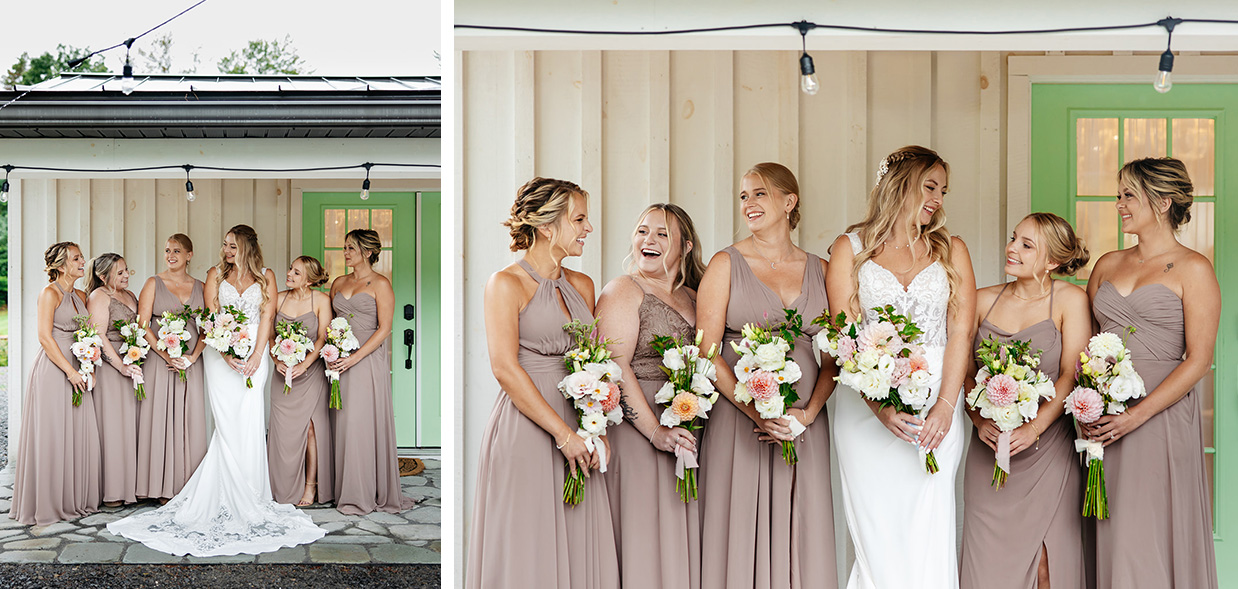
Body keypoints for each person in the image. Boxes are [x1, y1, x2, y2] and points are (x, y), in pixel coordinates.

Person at [108, 225, 324, 556]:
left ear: (247, 247)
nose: (226, 251)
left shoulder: (266, 275)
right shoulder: (214, 274)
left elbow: (267, 317)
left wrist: (256, 353)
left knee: (249, 419)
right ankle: (221, 494)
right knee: (225, 424)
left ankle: (251, 495)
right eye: (224, 245)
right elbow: (212, 317)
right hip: (219, 353)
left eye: (232, 246)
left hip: (255, 354)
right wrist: (223, 350)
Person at [827, 146, 976, 588]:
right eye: (930, 186)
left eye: (943, 190)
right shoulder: (849, 248)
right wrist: (881, 408)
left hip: (939, 404)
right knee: (878, 534)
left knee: (929, 526)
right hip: (867, 408)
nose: (938, 199)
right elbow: (846, 334)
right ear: (899, 184)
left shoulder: (951, 248)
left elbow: (960, 333)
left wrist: (947, 406)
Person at [467, 178, 619, 589]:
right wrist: (563, 434)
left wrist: (595, 423)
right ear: (548, 226)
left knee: (577, 533)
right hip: (527, 428)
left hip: (578, 421)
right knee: (528, 542)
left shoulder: (583, 286)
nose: (588, 229)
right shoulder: (505, 284)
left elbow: (594, 360)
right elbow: (504, 367)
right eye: (580, 219)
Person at [697, 163, 838, 589]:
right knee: (738, 527)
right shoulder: (726, 263)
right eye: (743, 196)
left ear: (788, 201)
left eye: (759, 193)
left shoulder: (823, 267)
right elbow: (706, 349)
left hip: (803, 424)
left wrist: (809, 414)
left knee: (803, 529)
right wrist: (755, 414)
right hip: (739, 420)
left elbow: (838, 354)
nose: (748, 204)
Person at [1084, 157, 1219, 588]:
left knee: (1148, 534)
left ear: (1162, 202)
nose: (1118, 203)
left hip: (1159, 418)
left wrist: (1136, 416)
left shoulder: (1194, 269)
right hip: (1103, 418)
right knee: (1111, 527)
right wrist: (1087, 405)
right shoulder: (1106, 264)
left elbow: (1198, 360)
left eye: (1128, 194)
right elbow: (1086, 346)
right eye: (1119, 193)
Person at [959, 213, 1091, 589]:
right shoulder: (982, 300)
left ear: (1052, 261)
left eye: (1026, 245)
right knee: (987, 562)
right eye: (1013, 238)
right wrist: (978, 420)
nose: (1011, 248)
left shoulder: (1070, 300)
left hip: (1048, 450)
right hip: (990, 451)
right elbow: (964, 371)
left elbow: (1070, 374)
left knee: (1047, 563)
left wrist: (1033, 428)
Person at [597, 204, 705, 588]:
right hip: (639, 431)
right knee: (643, 537)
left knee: (679, 533)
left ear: (686, 246)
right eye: (643, 231)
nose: (649, 240)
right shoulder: (624, 289)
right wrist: (656, 431)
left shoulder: (697, 296)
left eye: (662, 233)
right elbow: (615, 365)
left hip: (687, 430)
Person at [10, 242, 101, 525]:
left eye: (82, 257)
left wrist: (89, 366)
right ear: (61, 265)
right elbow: (44, 337)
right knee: (52, 433)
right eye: (76, 258)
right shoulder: (49, 293)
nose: (82, 261)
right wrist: (70, 373)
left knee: (76, 431)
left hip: (78, 365)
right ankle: (48, 502)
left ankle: (73, 498)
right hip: (54, 369)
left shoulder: (82, 295)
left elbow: (87, 333)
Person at [328, 229, 414, 515]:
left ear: (366, 252)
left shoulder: (380, 284)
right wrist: (332, 351)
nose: (345, 252)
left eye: (351, 248)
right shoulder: (339, 282)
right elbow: (331, 322)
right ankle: (343, 488)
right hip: (338, 360)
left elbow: (385, 329)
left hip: (366, 360)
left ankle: (365, 490)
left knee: (361, 423)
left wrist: (355, 358)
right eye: (344, 247)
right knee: (342, 422)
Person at [135, 234, 208, 502]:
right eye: (167, 250)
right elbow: (142, 325)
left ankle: (188, 486)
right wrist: (165, 355)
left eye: (177, 251)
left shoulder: (201, 286)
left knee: (190, 419)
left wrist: (193, 357)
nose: (170, 255)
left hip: (190, 362)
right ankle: (160, 486)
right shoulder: (154, 283)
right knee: (160, 418)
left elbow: (209, 328)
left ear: (189, 255)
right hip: (160, 361)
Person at [268, 256, 334, 506]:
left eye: (296, 273)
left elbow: (322, 338)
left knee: (310, 430)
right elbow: (271, 334)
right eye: (290, 269)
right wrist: (277, 360)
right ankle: (282, 485)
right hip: (282, 372)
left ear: (308, 280)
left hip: (310, 374)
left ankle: (311, 486)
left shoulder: (321, 300)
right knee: (283, 430)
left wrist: (305, 364)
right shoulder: (279, 297)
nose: (289, 274)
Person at [86, 253, 142, 507]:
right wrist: (120, 366)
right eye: (119, 273)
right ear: (102, 276)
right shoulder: (99, 297)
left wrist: (136, 358)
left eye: (126, 270)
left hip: (133, 363)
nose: (126, 275)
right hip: (112, 368)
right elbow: (98, 335)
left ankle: (130, 486)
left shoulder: (130, 296)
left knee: (130, 427)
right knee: (113, 428)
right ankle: (112, 491)